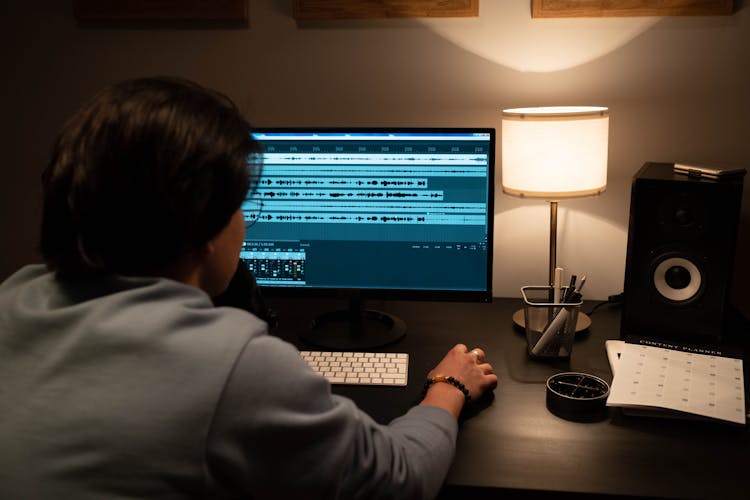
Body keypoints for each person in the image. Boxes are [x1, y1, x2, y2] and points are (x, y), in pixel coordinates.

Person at [0, 76, 498, 499]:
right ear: (203, 226)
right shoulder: (234, 368)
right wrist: (449, 386)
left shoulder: (13, 298)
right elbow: (402, 479)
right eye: (240, 204)